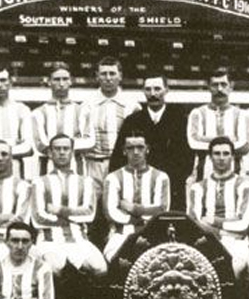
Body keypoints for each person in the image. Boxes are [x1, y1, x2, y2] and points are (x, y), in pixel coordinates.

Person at [112, 74, 192, 211]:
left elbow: (187, 158)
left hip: (172, 185)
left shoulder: (180, 119)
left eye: (157, 89)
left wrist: (170, 180)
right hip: (137, 184)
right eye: (148, 89)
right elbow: (119, 156)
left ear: (166, 90)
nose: (153, 94)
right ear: (143, 91)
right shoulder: (132, 120)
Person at [30, 135, 107, 276]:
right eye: (57, 149)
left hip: (79, 239)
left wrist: (58, 210)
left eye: (66, 149)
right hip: (49, 240)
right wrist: (74, 216)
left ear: (72, 152)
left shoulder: (86, 181)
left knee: (100, 269)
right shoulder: (39, 182)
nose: (61, 152)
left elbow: (89, 214)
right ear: (50, 153)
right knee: (54, 268)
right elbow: (38, 218)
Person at [187, 137, 249, 278]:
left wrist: (213, 221)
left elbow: (243, 224)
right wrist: (224, 231)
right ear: (210, 157)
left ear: (232, 156)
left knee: (232, 270)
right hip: (207, 241)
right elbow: (194, 222)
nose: (221, 158)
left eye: (226, 153)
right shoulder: (197, 187)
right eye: (217, 154)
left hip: (237, 244)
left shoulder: (245, 185)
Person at [103, 135, 170, 260]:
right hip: (121, 233)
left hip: (152, 232)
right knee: (115, 259)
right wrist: (144, 215)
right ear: (124, 151)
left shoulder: (161, 177)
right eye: (130, 148)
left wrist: (133, 208)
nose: (135, 152)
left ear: (147, 149)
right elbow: (110, 213)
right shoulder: (113, 178)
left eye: (140, 147)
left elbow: (161, 210)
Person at [79, 57, 141, 186]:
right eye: (104, 74)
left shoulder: (132, 105)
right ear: (97, 76)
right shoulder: (87, 105)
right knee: (93, 203)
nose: (108, 78)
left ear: (120, 76)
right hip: (94, 164)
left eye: (112, 73)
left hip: (122, 164)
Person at [187, 67, 249, 183]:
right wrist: (228, 139)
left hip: (235, 171)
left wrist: (204, 139)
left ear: (231, 86)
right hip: (204, 172)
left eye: (223, 84)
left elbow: (243, 146)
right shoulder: (197, 113)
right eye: (215, 85)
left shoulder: (241, 114)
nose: (219, 89)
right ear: (208, 87)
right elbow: (193, 143)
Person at [32, 62, 94, 176]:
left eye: (65, 79)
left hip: (76, 170)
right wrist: (75, 141)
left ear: (71, 81)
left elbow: (90, 142)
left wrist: (56, 145)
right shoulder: (38, 113)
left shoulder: (82, 111)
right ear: (49, 82)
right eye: (56, 79)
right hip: (47, 169)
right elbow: (41, 144)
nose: (61, 83)